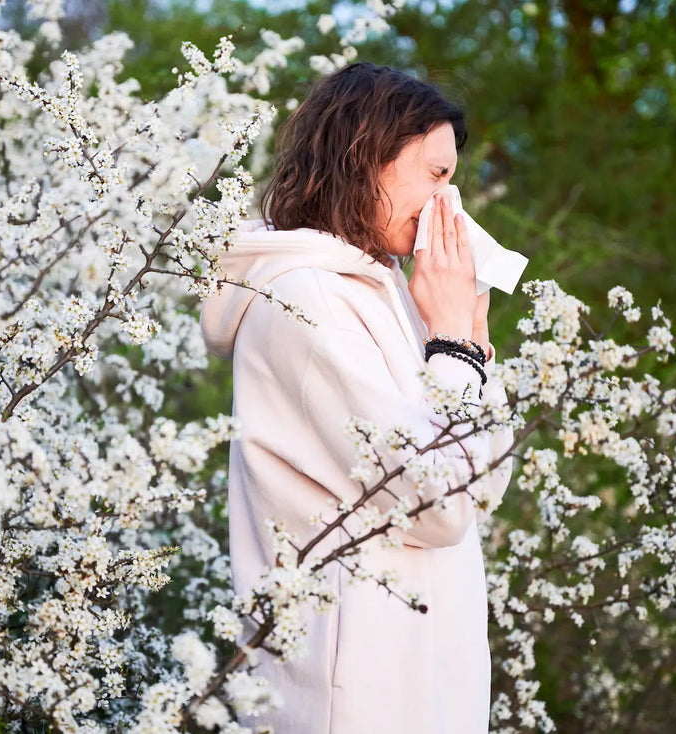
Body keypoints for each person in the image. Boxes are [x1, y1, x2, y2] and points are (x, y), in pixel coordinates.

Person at [200, 62, 515, 734]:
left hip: (425, 687)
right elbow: (442, 506)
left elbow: (485, 486)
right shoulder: (307, 302)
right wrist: (453, 344)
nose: (446, 202)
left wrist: (473, 337)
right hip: (359, 696)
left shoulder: (394, 295)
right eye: (436, 174)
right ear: (366, 154)